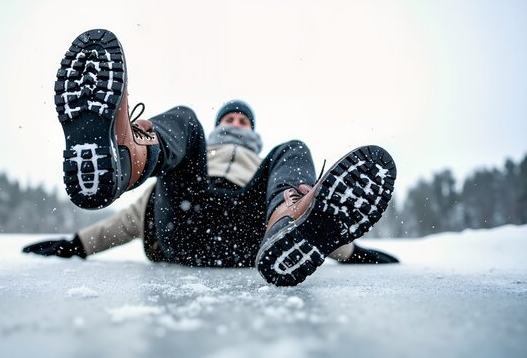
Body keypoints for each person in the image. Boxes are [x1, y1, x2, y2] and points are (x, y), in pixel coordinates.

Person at [23, 29, 398, 286]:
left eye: (243, 120)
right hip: (186, 221)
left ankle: (286, 222)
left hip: (252, 235)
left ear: (252, 131)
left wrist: (351, 252)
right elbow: (138, 215)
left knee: (293, 149)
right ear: (222, 126)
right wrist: (79, 244)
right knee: (185, 119)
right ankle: (125, 158)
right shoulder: (197, 152)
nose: (236, 123)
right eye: (229, 118)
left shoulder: (262, 166)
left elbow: (319, 224)